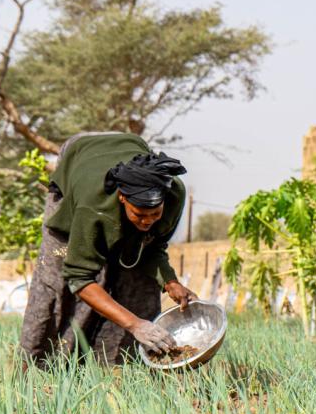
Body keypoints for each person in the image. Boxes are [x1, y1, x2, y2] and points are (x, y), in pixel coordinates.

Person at [20, 132, 196, 366]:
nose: (147, 222)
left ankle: (117, 365)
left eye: (155, 214)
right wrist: (135, 324)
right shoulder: (93, 207)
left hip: (124, 145)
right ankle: (40, 365)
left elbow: (152, 247)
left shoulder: (173, 193)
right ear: (122, 198)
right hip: (80, 163)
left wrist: (170, 282)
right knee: (56, 276)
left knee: (138, 282)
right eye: (139, 214)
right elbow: (78, 276)